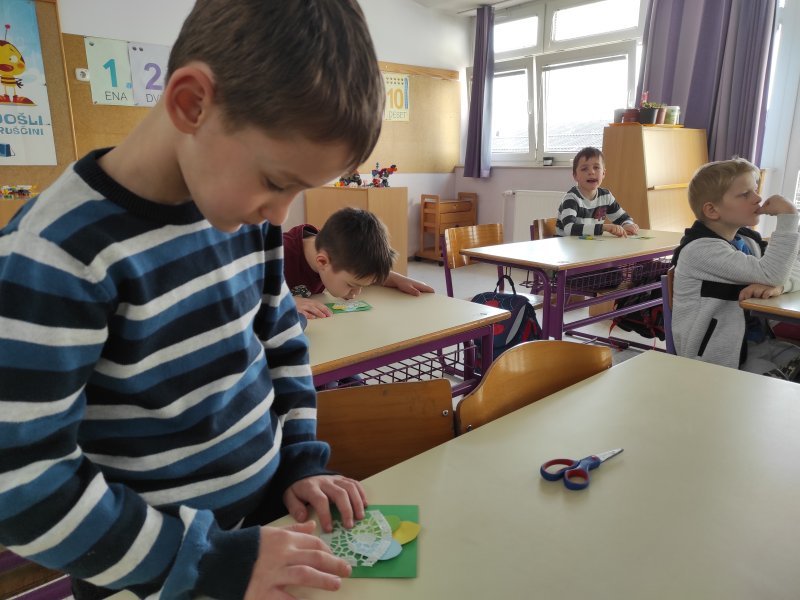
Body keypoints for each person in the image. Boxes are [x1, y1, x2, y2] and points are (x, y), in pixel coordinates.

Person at [0, 2, 385, 599]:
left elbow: (282, 343)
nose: (280, 214)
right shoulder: (54, 254)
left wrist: (300, 461)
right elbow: (22, 484)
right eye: (277, 181)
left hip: (262, 532)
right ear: (191, 104)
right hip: (154, 573)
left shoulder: (246, 218)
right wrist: (208, 562)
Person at [671, 157, 800, 375]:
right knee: (781, 387)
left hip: (755, 345)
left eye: (755, 190)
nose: (758, 198)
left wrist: (780, 286)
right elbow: (773, 272)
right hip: (716, 360)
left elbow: (791, 267)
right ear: (712, 210)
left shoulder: (747, 240)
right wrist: (788, 217)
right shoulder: (701, 250)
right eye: (745, 194)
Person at [284, 207, 434, 319]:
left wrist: (396, 279)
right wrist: (284, 303)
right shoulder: (276, 254)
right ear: (322, 262)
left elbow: (357, 270)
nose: (356, 293)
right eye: (351, 284)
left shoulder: (334, 251)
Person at [555, 146, 640, 237]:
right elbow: (569, 229)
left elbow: (624, 218)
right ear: (575, 176)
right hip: (567, 243)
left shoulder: (606, 196)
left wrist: (627, 225)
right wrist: (603, 228)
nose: (591, 172)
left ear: (603, 173)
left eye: (596, 167)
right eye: (584, 169)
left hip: (589, 243)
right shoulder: (571, 198)